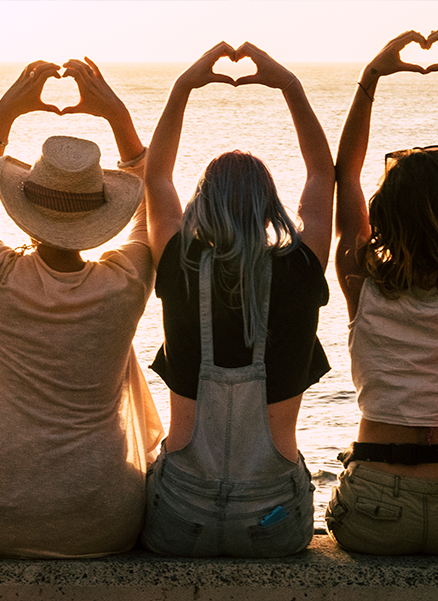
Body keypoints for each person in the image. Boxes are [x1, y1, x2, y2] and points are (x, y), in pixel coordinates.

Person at [0, 58, 163, 558]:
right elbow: (156, 210)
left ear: (26, 210)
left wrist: (4, 118)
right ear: (102, 214)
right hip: (99, 520)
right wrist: (117, 117)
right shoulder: (125, 282)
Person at [140, 42, 334, 558]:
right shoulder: (300, 267)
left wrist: (184, 86)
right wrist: (289, 85)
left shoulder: (180, 261)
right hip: (273, 519)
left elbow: (155, 177)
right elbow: (322, 176)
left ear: (201, 201)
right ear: (271, 204)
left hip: (180, 516)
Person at [325, 31, 438, 555]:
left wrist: (372, 77)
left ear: (387, 212)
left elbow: (344, 175)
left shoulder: (360, 280)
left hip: (377, 506)